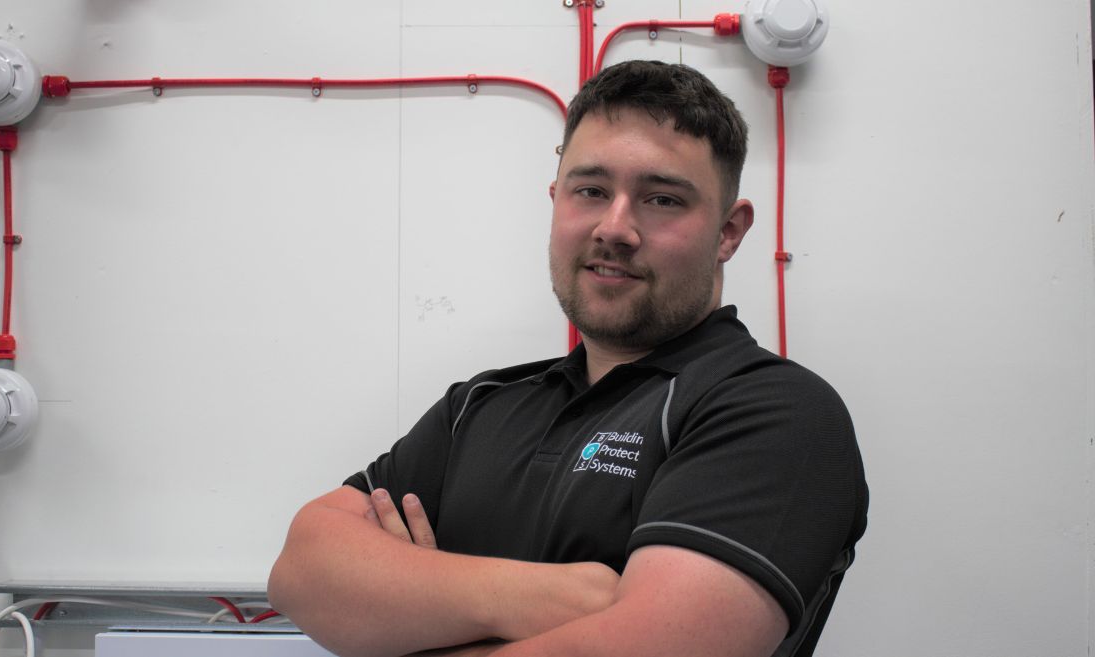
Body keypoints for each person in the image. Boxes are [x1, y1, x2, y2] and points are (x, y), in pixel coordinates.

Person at [268, 60, 868, 657]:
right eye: (591, 191)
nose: (615, 227)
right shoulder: (477, 408)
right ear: (556, 200)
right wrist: (552, 597)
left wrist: (413, 613)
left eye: (662, 199)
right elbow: (302, 570)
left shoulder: (774, 411)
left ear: (729, 232)